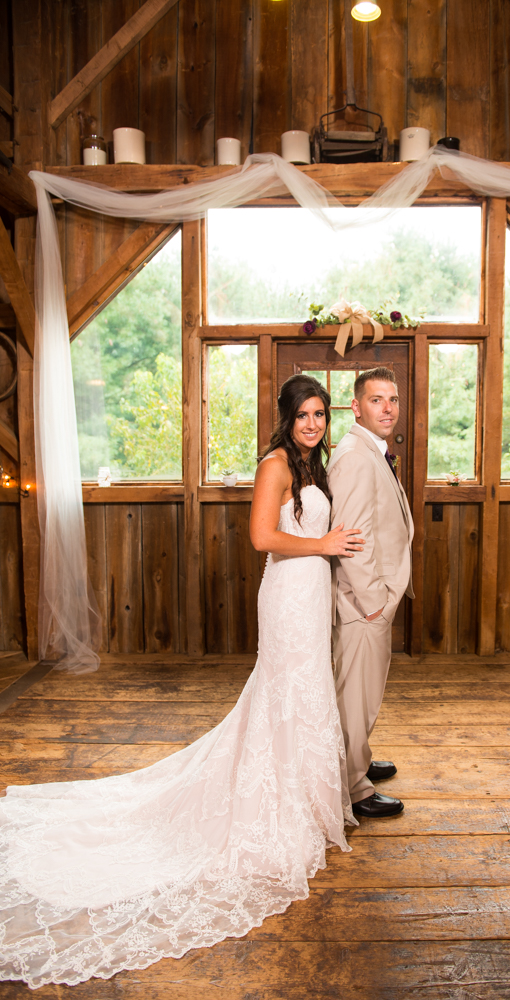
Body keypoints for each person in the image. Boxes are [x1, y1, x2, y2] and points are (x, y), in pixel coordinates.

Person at [0, 374, 364, 990]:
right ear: (285, 418)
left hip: (309, 595)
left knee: (306, 696)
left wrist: (328, 552)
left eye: (320, 415)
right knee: (284, 694)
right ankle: (267, 814)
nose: (312, 424)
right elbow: (261, 538)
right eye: (304, 415)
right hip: (285, 595)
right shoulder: (276, 464)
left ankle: (301, 804)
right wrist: (324, 542)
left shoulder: (312, 466)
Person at [328, 367, 414, 819]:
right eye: (377, 400)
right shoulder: (356, 456)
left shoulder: (370, 450)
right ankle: (353, 787)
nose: (387, 408)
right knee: (356, 695)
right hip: (364, 602)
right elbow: (351, 536)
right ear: (356, 406)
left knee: (363, 692)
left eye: (393, 399)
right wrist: (372, 601)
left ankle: (356, 757)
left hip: (374, 596)